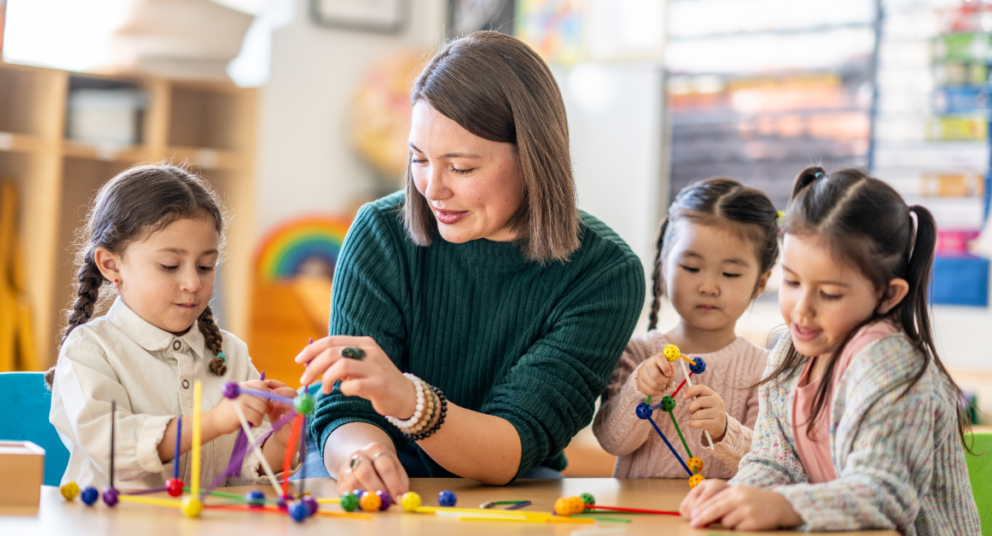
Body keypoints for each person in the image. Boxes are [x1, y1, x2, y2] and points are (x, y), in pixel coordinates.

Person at [296, 31, 645, 496]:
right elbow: (345, 412)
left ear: (534, 159)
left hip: (508, 472)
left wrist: (406, 399)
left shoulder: (605, 274)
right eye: (419, 159)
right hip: (376, 452)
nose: (432, 188)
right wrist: (366, 457)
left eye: (460, 168)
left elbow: (512, 447)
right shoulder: (381, 231)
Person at [680, 167, 981, 535]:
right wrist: (737, 495)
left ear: (888, 295)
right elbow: (776, 461)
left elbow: (886, 495)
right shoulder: (790, 353)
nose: (802, 308)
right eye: (791, 281)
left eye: (830, 293)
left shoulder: (891, 364)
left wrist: (782, 505)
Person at [48, 164, 297, 490]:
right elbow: (114, 450)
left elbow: (244, 468)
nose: (193, 283)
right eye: (169, 266)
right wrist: (214, 422)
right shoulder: (90, 351)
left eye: (206, 266)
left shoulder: (230, 354)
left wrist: (282, 441)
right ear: (111, 265)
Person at [594, 178, 778, 478]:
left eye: (730, 273)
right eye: (691, 268)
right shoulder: (637, 352)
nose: (708, 287)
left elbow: (770, 464)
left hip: (717, 519)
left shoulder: (764, 369)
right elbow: (612, 441)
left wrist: (724, 430)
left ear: (760, 283)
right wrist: (640, 389)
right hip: (641, 520)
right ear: (664, 267)